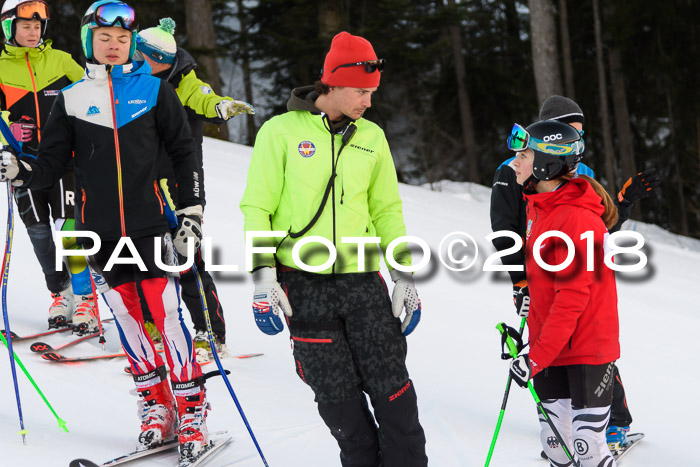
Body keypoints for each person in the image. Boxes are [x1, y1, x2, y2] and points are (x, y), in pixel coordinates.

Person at [0, 1, 211, 462]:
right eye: (103, 39)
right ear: (88, 42)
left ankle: (192, 406)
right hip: (101, 230)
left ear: (130, 43)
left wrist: (192, 210)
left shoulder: (155, 91)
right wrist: (20, 169)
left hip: (151, 222)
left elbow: (183, 152)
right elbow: (51, 163)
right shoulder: (73, 98)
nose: (112, 46)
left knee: (167, 312)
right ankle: (156, 405)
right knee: (128, 314)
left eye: (120, 40)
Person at [240, 31, 428, 466]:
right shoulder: (280, 132)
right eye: (361, 92)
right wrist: (263, 280)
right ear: (333, 84)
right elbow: (257, 208)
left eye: (372, 92)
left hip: (363, 283)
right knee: (341, 407)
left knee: (395, 395)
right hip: (303, 288)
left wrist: (404, 277)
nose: (368, 101)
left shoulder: (372, 137)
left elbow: (386, 211)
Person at [489, 95, 660, 449]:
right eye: (571, 131)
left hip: (570, 279)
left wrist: (623, 204)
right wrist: (520, 281)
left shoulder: (578, 170)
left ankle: (612, 421)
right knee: (556, 340)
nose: (578, 142)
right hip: (535, 277)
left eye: (581, 134)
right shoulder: (513, 170)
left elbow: (596, 230)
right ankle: (564, 428)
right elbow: (504, 230)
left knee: (585, 340)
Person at [133, 17, 255, 356]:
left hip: (181, 186)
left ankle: (210, 333)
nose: (150, 65)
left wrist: (221, 106)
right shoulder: (129, 81)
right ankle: (153, 325)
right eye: (144, 57)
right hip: (141, 185)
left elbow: (205, 99)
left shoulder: (184, 83)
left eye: (159, 60)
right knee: (144, 259)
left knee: (187, 261)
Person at [505, 119, 620, 466]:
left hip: (587, 347)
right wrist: (528, 306)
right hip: (550, 346)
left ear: (546, 163)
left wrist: (535, 357)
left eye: (523, 156)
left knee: (587, 448)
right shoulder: (537, 209)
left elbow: (572, 300)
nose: (515, 163)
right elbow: (547, 284)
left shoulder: (577, 219)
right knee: (555, 446)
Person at [0, 0, 98, 334]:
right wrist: (8, 126)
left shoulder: (60, 61)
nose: (33, 32)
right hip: (23, 164)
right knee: (40, 235)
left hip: (66, 160)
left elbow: (94, 95)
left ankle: (86, 300)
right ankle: (61, 294)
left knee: (70, 230)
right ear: (8, 27)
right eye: (25, 26)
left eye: (37, 26)